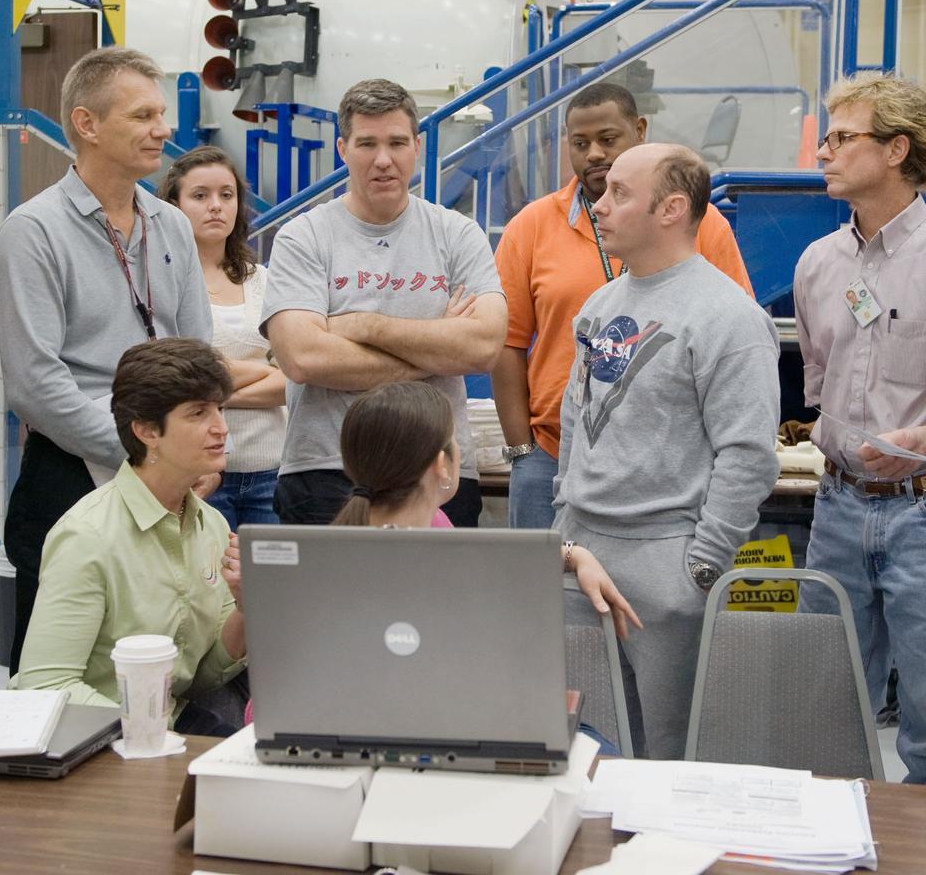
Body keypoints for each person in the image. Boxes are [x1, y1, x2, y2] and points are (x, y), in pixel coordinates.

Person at [554, 142, 780, 760]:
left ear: (672, 208)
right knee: (583, 749)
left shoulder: (728, 317)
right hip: (582, 559)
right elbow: (577, 416)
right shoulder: (603, 304)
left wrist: (700, 569)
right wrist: (564, 520)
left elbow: (748, 455)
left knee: (671, 757)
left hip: (669, 567)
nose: (597, 205)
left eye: (618, 193)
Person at [0, 47, 212, 676]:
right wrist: (149, 454)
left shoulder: (169, 225)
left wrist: (184, 450)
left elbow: (198, 356)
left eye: (162, 113)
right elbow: (34, 385)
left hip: (165, 476)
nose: (164, 130)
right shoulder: (33, 231)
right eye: (143, 115)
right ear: (86, 124)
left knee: (165, 663)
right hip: (72, 476)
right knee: (60, 677)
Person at [793, 74, 926, 786]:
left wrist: (925, 441)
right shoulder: (817, 264)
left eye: (840, 138)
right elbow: (821, 383)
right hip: (836, 508)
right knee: (821, 712)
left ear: (897, 149)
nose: (823, 152)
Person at [492, 82, 752, 530]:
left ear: (640, 131)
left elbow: (735, 343)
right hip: (552, 456)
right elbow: (507, 343)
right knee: (542, 596)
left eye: (608, 139)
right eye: (580, 143)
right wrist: (522, 450)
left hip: (667, 465)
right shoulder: (530, 228)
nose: (594, 154)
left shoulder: (696, 223)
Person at [262, 78, 507, 527]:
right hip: (324, 468)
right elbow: (303, 357)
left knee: (436, 600)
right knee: (329, 601)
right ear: (342, 148)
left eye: (396, 142)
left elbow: (483, 348)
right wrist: (438, 352)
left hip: (438, 472)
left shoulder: (458, 235)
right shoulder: (304, 237)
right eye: (366, 143)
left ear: (417, 145)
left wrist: (361, 326)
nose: (383, 160)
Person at [16, 337, 246, 736]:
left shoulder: (211, 525)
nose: (221, 428)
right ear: (146, 431)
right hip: (95, 738)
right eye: (198, 413)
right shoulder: (87, 536)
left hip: (163, 722)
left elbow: (202, 676)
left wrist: (249, 605)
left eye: (221, 409)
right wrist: (153, 733)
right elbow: (45, 687)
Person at [333, 380, 641, 642]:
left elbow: (496, 554)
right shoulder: (434, 544)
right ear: (442, 465)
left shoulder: (347, 545)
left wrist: (575, 555)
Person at [161, 146, 286, 528]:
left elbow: (293, 378)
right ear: (173, 206)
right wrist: (261, 369)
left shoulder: (265, 280)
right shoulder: (163, 284)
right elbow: (171, 380)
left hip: (272, 471)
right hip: (197, 475)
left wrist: (210, 390)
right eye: (200, 196)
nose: (215, 206)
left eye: (226, 195)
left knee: (270, 586)